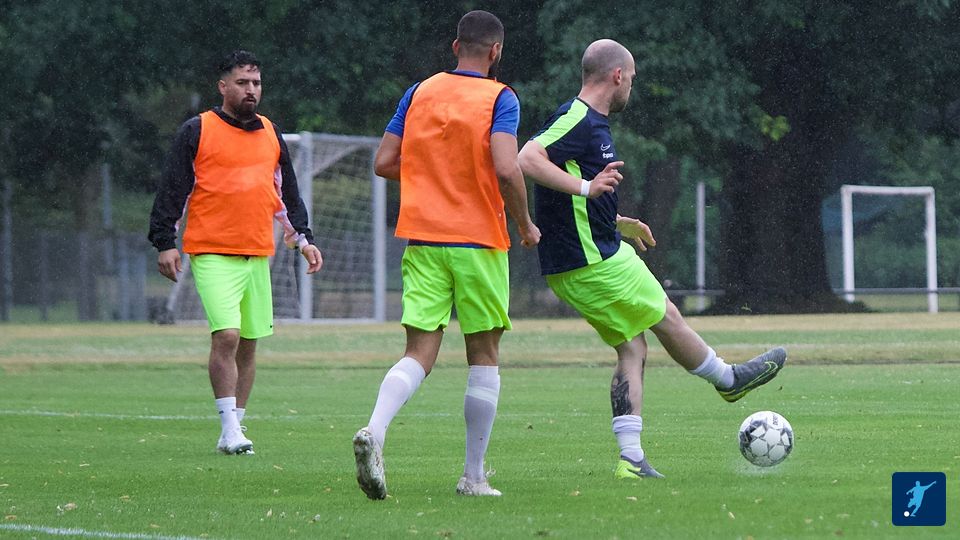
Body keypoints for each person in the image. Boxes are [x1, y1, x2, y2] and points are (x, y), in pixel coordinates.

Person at [518, 39, 786, 479]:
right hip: (594, 260)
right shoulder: (578, 117)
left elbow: (566, 192)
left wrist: (614, 220)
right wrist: (588, 190)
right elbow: (527, 158)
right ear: (617, 75)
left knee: (632, 347)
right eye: (632, 78)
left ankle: (631, 459)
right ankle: (729, 380)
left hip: (586, 255)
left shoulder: (588, 123)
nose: (632, 87)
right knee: (666, 314)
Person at [352, 10, 540, 499]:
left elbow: (384, 162)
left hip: (424, 239)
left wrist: (434, 171)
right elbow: (506, 168)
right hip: (478, 241)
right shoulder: (501, 97)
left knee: (418, 353)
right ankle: (473, 477)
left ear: (456, 47)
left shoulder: (419, 92)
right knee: (484, 356)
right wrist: (524, 224)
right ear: (495, 51)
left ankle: (375, 430)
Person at [148, 50, 323, 455]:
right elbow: (173, 190)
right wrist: (164, 242)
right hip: (211, 252)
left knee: (248, 342)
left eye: (256, 83)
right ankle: (229, 429)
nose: (251, 90)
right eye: (242, 83)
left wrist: (303, 239)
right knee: (226, 335)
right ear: (223, 86)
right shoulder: (198, 130)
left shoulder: (271, 133)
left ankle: (236, 427)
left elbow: (286, 194)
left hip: (257, 254)